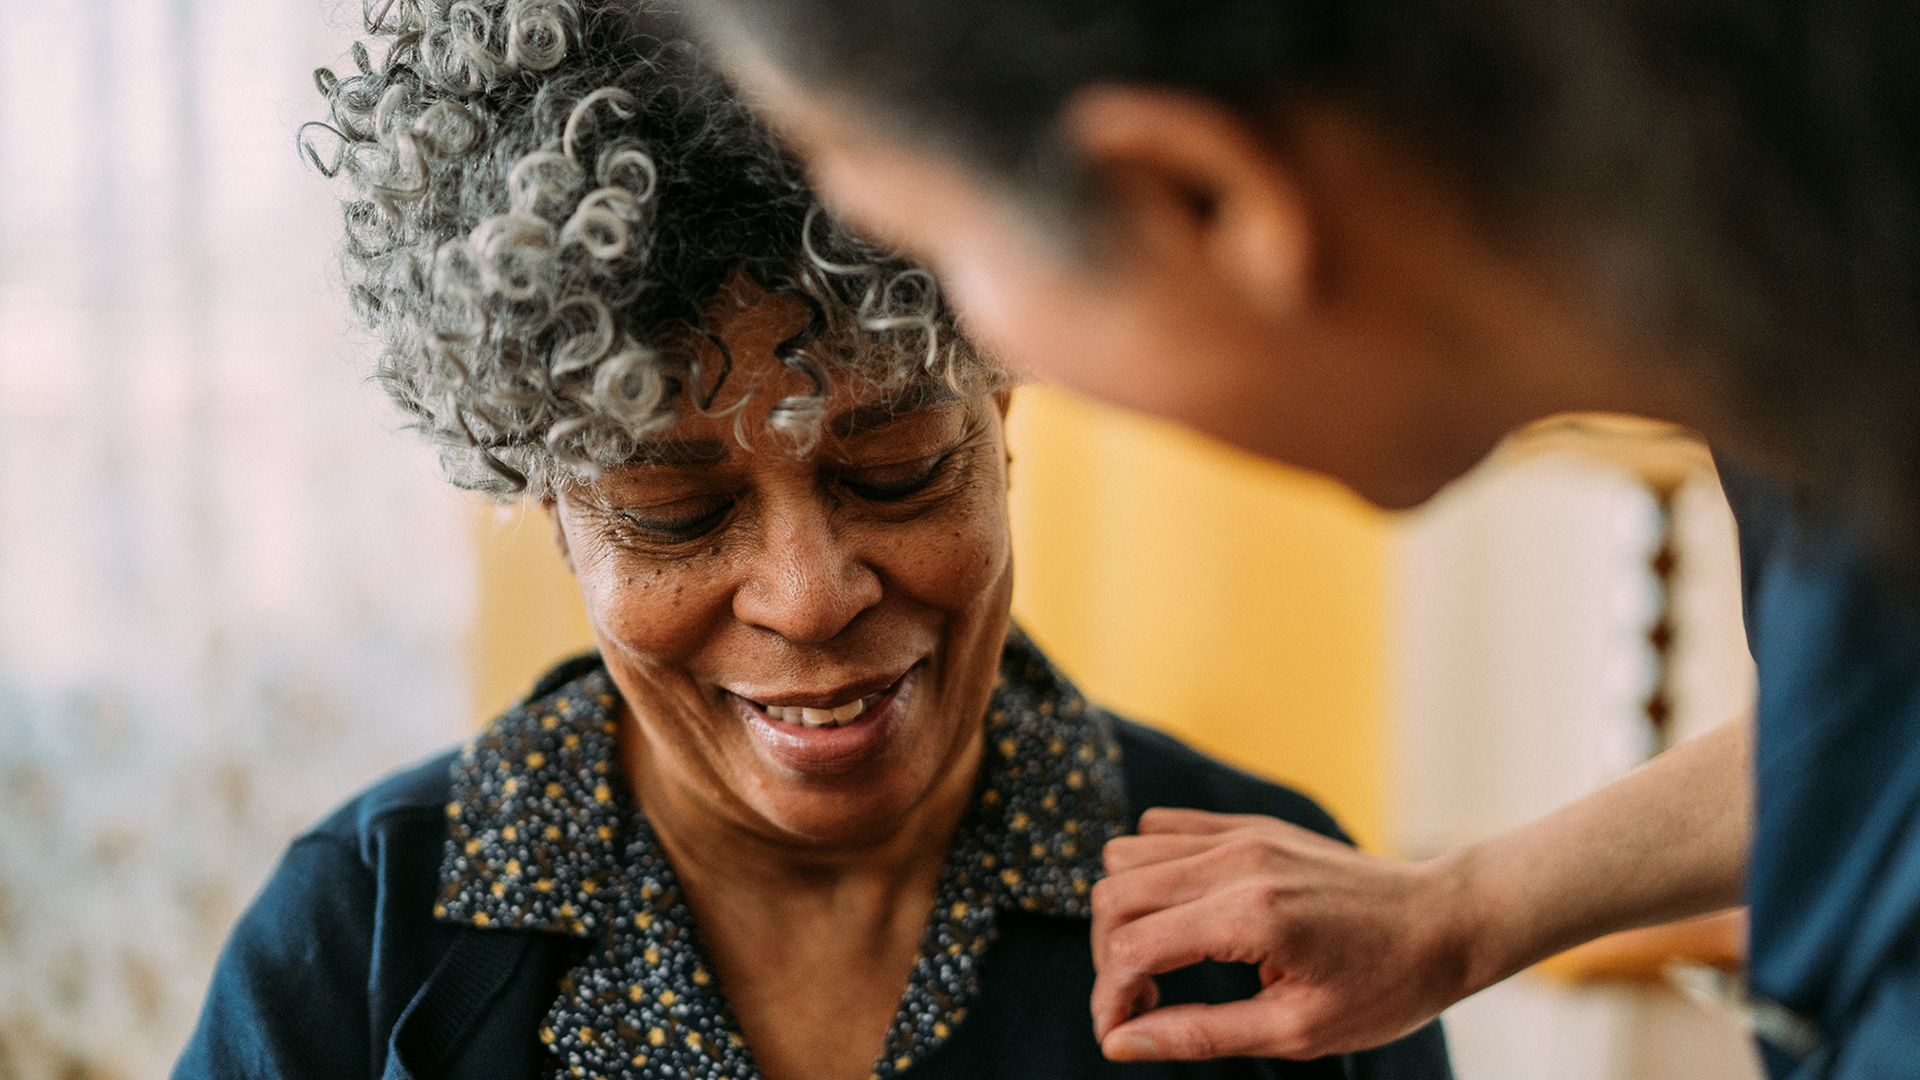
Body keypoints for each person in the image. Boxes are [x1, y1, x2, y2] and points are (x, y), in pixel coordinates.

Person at [171, 4, 1453, 1079]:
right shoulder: (358, 945)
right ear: (547, 502)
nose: (809, 596)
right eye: (677, 512)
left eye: (897, 473)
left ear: (1003, 407)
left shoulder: (1280, 933)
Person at [687, 1, 1920, 1076]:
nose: (805, 595)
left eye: (945, 257)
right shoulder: (1826, 407)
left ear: (1202, 195)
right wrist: (1478, 906)